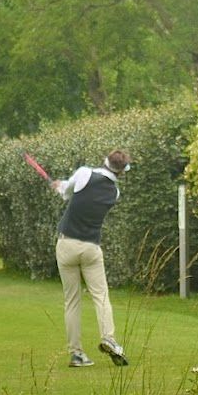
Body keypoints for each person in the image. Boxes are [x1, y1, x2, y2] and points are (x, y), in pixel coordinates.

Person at [52, 149, 131, 367]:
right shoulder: (114, 193)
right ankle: (109, 338)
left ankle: (76, 354)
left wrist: (58, 186)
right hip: (91, 248)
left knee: (72, 301)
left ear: (105, 161)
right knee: (101, 296)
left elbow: (67, 191)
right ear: (122, 171)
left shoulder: (84, 173)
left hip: (66, 244)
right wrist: (62, 187)